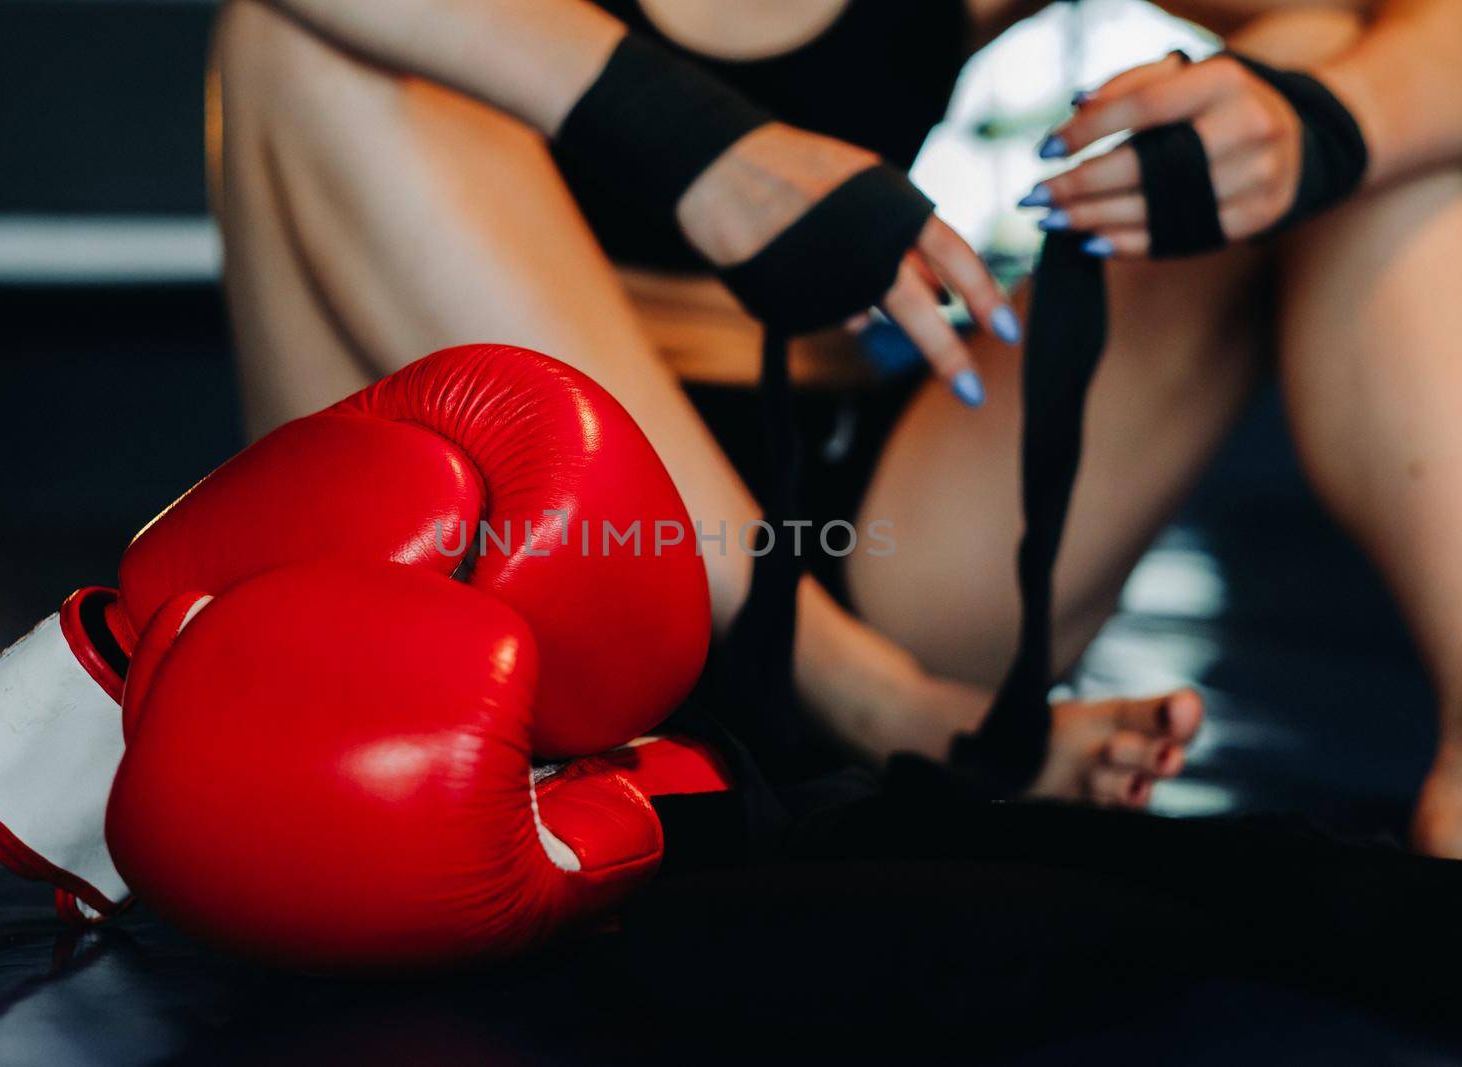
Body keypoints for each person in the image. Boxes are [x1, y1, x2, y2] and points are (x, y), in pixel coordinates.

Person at [207, 0, 1462, 848]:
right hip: (504, 546)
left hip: (868, 526)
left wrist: (1313, 125)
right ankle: (854, 695)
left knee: (1324, 65)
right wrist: (704, 150)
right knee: (296, 32)